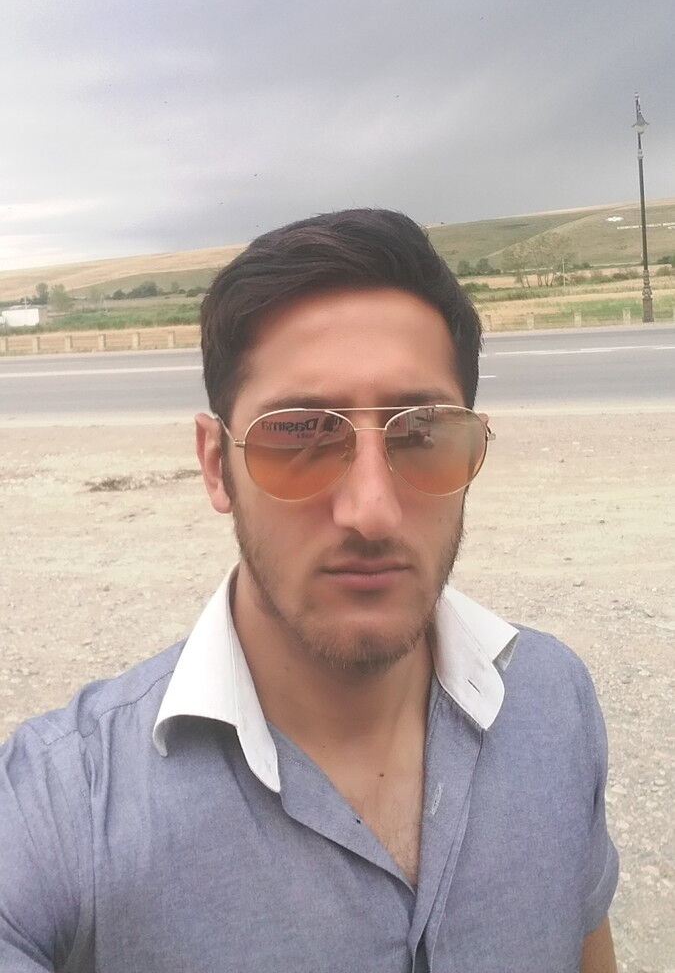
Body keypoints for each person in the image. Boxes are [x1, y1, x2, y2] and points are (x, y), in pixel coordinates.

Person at [0, 209, 618, 972]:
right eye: (299, 432)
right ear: (214, 464)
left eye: (422, 431)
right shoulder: (66, 804)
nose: (371, 511)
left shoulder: (553, 700)